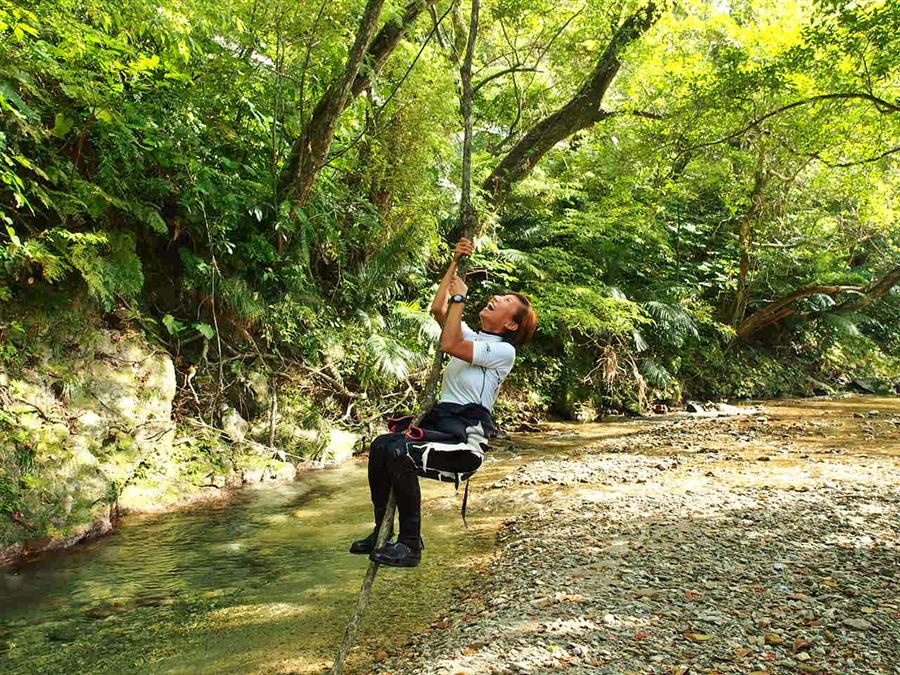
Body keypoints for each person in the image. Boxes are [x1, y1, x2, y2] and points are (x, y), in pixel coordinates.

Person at [349, 237, 538, 567]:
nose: (495, 298)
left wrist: (461, 298)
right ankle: (383, 532)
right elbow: (439, 310)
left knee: (399, 452)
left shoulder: (503, 352)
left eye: (504, 300)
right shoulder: (474, 337)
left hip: (464, 442)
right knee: (381, 446)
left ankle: (410, 545)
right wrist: (454, 262)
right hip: (441, 425)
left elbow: (449, 343)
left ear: (510, 324)